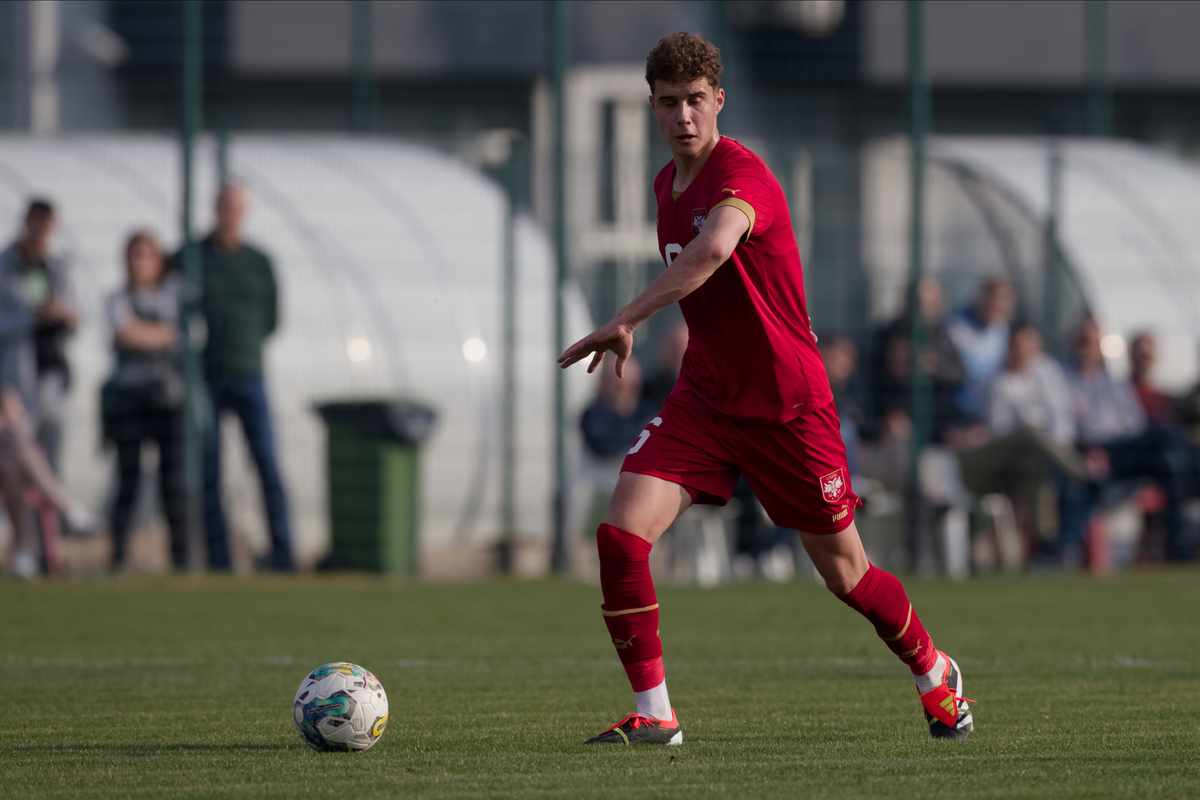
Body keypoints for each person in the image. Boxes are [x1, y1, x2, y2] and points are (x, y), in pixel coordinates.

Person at [557, 32, 974, 745]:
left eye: (695, 100)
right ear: (652, 108)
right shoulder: (665, 186)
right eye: (668, 103)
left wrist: (625, 316)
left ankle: (934, 672)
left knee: (846, 575)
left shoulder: (743, 176)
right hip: (707, 399)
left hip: (787, 406)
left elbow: (715, 249)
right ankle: (655, 714)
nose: (683, 115)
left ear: (719, 100)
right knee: (621, 534)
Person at [190, 184, 293, 572]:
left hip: (250, 374)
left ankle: (282, 554)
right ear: (215, 209)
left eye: (235, 207)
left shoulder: (259, 261)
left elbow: (272, 320)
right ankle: (219, 559)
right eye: (223, 206)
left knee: (267, 463)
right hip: (208, 377)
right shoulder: (195, 256)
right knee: (209, 468)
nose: (228, 214)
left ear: (243, 212)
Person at [1063, 318, 1196, 562]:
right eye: (1083, 339)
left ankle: (1181, 546)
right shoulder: (1062, 380)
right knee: (1167, 435)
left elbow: (1133, 422)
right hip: (1094, 450)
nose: (1088, 345)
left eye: (1092, 340)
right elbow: (1066, 424)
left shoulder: (1113, 384)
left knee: (1169, 460)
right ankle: (1183, 547)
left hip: (1126, 447)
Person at [102, 232, 188, 572]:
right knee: (128, 480)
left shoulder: (177, 293)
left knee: (174, 483)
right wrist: (164, 334)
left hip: (168, 401)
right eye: (134, 255)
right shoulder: (116, 297)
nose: (140, 262)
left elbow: (191, 335)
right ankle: (118, 557)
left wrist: (145, 334)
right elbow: (124, 332)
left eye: (147, 255)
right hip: (129, 400)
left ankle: (181, 560)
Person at [0, 199, 79, 465]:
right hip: (15, 379)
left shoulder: (57, 267)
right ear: (25, 222)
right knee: (18, 455)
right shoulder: (5, 265)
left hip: (54, 374)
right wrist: (33, 316)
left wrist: (66, 317)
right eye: (36, 223)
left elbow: (73, 309)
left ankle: (50, 507)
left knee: (50, 457)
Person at [947, 277, 1016, 418]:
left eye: (1005, 300)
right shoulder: (957, 327)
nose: (997, 304)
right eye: (993, 298)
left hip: (994, 408)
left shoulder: (1002, 329)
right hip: (960, 410)